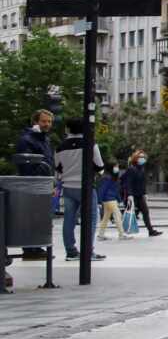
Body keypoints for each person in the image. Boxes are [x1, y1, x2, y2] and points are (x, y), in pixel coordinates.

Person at [56, 118, 107, 261]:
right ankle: (88, 251)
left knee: (69, 219)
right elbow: (99, 165)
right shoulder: (90, 144)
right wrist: (98, 173)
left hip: (68, 187)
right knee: (90, 218)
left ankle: (71, 251)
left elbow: (58, 170)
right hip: (86, 187)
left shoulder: (61, 146)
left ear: (68, 129)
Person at [13, 109, 55, 262]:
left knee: (39, 217)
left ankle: (35, 247)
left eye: (49, 122)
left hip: (42, 183)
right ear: (35, 122)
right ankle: (30, 248)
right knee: (31, 216)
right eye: (44, 121)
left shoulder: (44, 139)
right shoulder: (28, 139)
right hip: (33, 184)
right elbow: (26, 163)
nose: (47, 124)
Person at [122, 150, 162, 237]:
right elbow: (128, 183)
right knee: (131, 213)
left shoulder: (142, 169)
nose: (142, 159)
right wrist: (129, 195)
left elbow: (143, 183)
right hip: (133, 196)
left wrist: (144, 193)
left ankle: (150, 231)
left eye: (143, 157)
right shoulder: (131, 169)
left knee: (145, 212)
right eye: (140, 157)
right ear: (136, 158)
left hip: (140, 196)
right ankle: (124, 231)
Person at [96, 166, 130, 241]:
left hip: (109, 200)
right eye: (114, 167)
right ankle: (121, 234)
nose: (116, 169)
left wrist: (119, 200)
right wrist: (99, 201)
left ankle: (101, 235)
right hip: (110, 200)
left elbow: (116, 191)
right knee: (118, 215)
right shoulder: (108, 179)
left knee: (105, 218)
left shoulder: (113, 178)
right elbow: (102, 190)